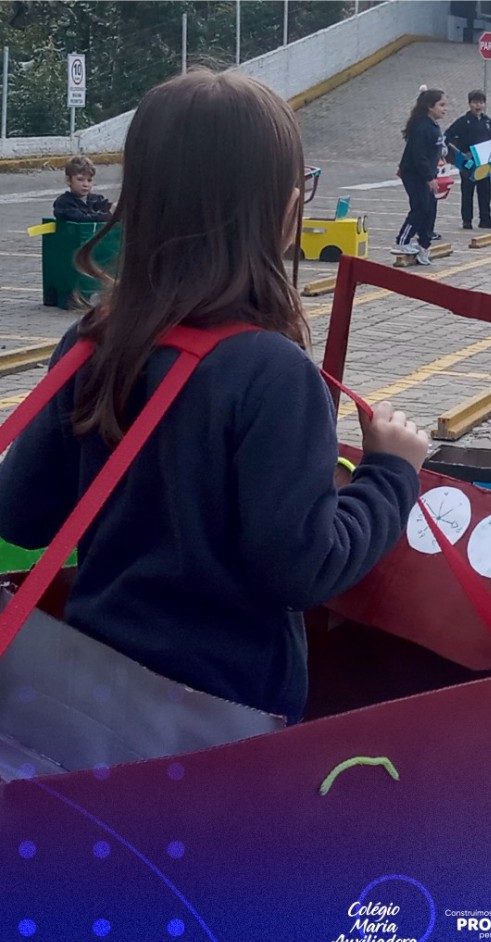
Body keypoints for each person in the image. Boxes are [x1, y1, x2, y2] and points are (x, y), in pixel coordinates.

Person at [0, 70, 429, 723]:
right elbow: (303, 567)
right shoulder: (273, 374)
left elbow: (22, 515)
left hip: (90, 704)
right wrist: (391, 474)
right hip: (219, 721)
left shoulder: (92, 345)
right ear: (285, 212)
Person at [393, 87, 448, 265]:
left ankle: (424, 244)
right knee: (420, 207)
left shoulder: (433, 126)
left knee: (430, 208)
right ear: (430, 106)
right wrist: (428, 177)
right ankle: (403, 240)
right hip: (414, 174)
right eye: (441, 105)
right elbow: (419, 155)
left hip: (427, 174)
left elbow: (433, 150)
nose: (444, 109)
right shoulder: (421, 126)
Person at [444, 89, 491, 230]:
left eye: (481, 102)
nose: (479, 106)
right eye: (475, 102)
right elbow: (448, 136)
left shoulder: (488, 122)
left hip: (485, 163)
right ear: (469, 104)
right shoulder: (463, 121)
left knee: (485, 191)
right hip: (468, 163)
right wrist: (456, 155)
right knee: (467, 192)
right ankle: (467, 220)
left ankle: (485, 219)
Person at [53, 155, 114, 222]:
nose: (86, 184)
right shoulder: (64, 203)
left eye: (89, 180)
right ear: (68, 180)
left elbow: (107, 206)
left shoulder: (96, 199)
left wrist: (119, 208)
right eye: (80, 179)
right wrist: (109, 215)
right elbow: (82, 219)